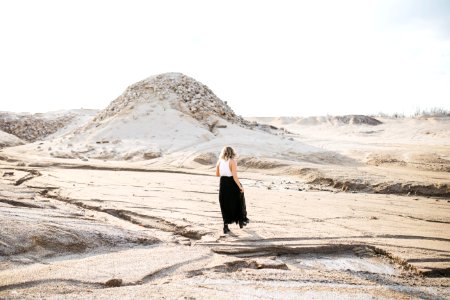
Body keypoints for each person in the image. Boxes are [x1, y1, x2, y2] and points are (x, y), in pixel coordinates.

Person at [216, 146, 248, 234]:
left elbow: (217, 174)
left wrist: (224, 171)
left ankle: (225, 226)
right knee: (239, 200)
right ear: (232, 152)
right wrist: (240, 186)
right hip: (231, 183)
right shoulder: (232, 161)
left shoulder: (219, 162)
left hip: (223, 183)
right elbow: (235, 176)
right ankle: (241, 221)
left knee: (224, 204)